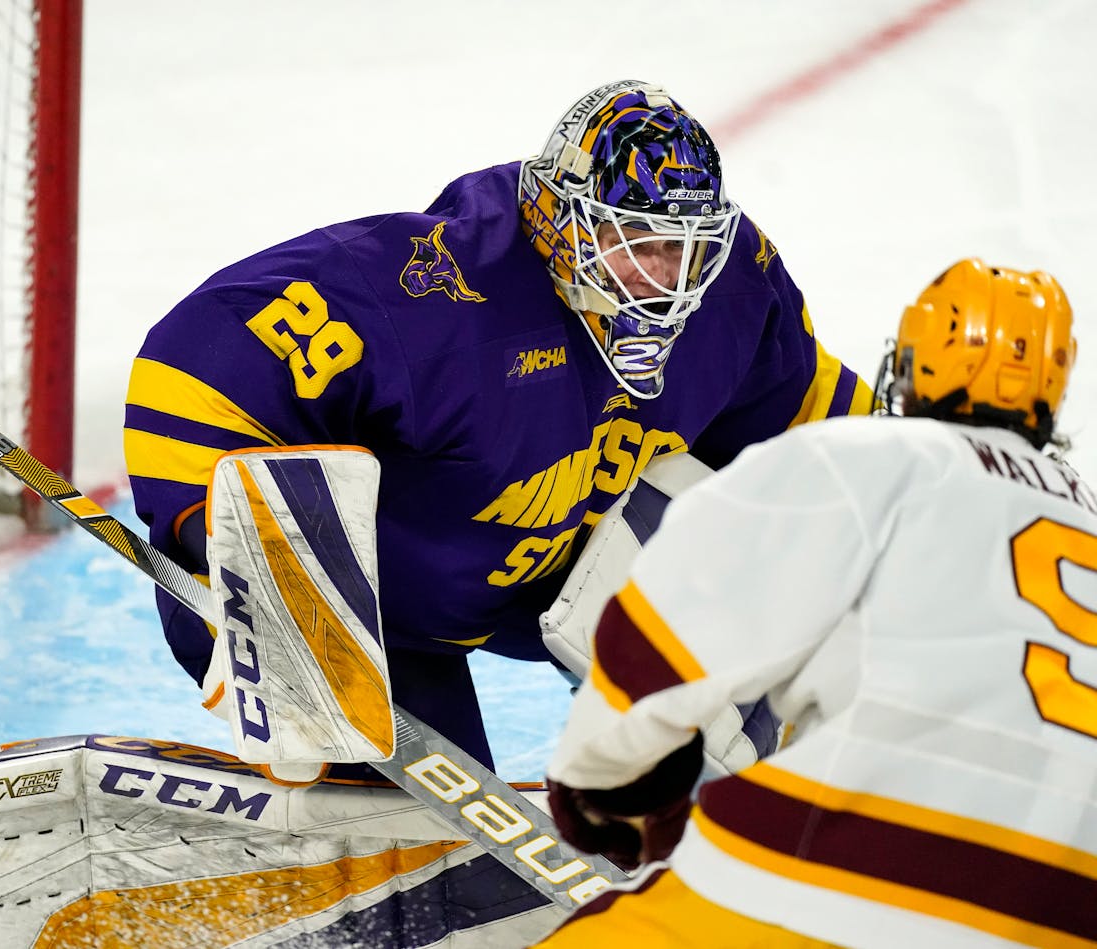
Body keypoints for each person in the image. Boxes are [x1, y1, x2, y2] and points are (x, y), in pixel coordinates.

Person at [124, 79, 872, 775]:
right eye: (634, 241)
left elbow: (832, 439)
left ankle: (704, 804)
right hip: (378, 616)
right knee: (418, 834)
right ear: (557, 218)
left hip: (542, 584)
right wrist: (236, 558)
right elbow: (191, 366)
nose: (663, 278)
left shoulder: (731, 290)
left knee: (737, 530)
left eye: (682, 248)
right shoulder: (438, 293)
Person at [535, 258, 1096, 947]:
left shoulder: (869, 455)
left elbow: (671, 623)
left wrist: (600, 782)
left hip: (866, 860)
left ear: (916, 361)